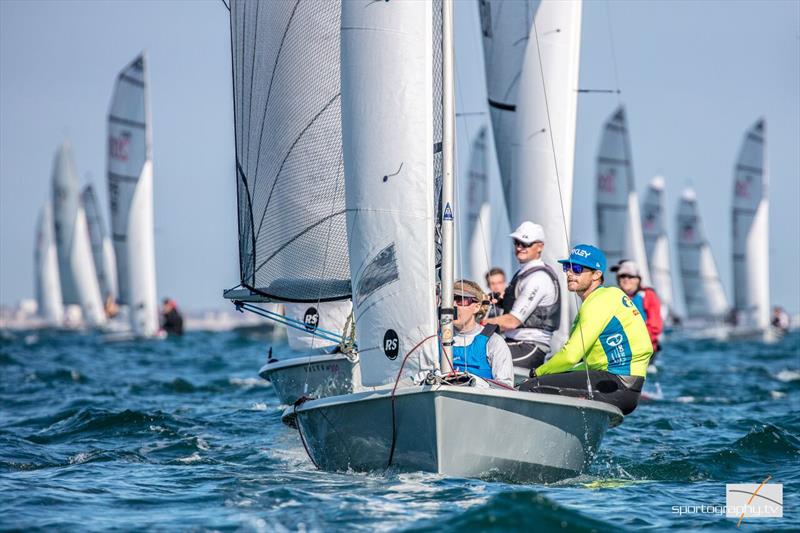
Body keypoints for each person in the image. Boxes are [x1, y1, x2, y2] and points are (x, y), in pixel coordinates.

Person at [519, 245, 653, 415]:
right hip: (624, 385)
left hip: (615, 384)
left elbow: (570, 356)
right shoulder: (610, 295)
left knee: (530, 387)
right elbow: (581, 361)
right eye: (567, 267)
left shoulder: (597, 303)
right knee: (549, 381)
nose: (569, 273)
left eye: (577, 269)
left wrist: (536, 373)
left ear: (597, 274)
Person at [484, 221, 560, 371]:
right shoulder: (523, 273)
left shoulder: (538, 277)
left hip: (529, 347)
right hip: (513, 342)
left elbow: (512, 321)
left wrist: (479, 324)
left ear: (540, 247)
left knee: (475, 358)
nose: (519, 247)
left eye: (525, 243)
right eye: (517, 242)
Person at [451, 280, 514, 387]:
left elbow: (506, 386)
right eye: (449, 299)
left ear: (477, 307)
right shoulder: (434, 340)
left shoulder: (494, 341)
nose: (453, 305)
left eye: (461, 300)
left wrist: (474, 382)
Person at [610, 260, 663, 360]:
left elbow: (655, 326)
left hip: (643, 349)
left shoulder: (648, 295)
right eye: (622, 276)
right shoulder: (613, 296)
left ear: (638, 279)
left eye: (630, 276)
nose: (626, 279)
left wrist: (635, 344)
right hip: (620, 349)